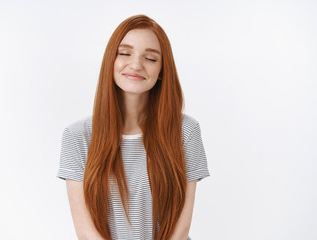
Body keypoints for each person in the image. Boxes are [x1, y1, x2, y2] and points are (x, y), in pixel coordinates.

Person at [57, 14, 210, 240]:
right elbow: (86, 233)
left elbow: (181, 230)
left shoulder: (185, 131)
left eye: (150, 58)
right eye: (125, 53)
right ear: (111, 60)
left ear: (162, 72)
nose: (136, 64)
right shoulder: (77, 136)